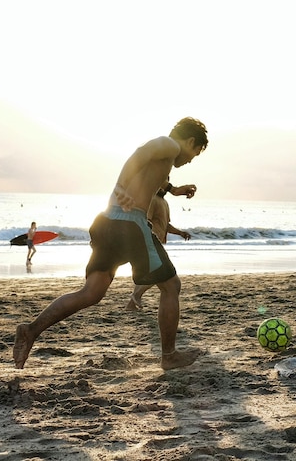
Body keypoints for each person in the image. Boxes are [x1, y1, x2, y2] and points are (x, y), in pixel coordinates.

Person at [13, 117, 209, 370]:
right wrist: (119, 187)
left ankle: (30, 330)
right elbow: (141, 154)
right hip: (129, 223)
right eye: (195, 153)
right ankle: (169, 356)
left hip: (106, 221)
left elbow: (150, 171)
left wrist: (172, 189)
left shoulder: (166, 157)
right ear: (191, 141)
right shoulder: (169, 145)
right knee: (171, 285)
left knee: (91, 293)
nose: (191, 159)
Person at [125, 180, 193, 311]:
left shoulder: (164, 202)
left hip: (157, 242)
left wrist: (180, 233)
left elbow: (165, 225)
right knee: (160, 272)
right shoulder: (152, 200)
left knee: (153, 272)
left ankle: (131, 305)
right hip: (150, 242)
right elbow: (145, 220)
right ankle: (136, 295)